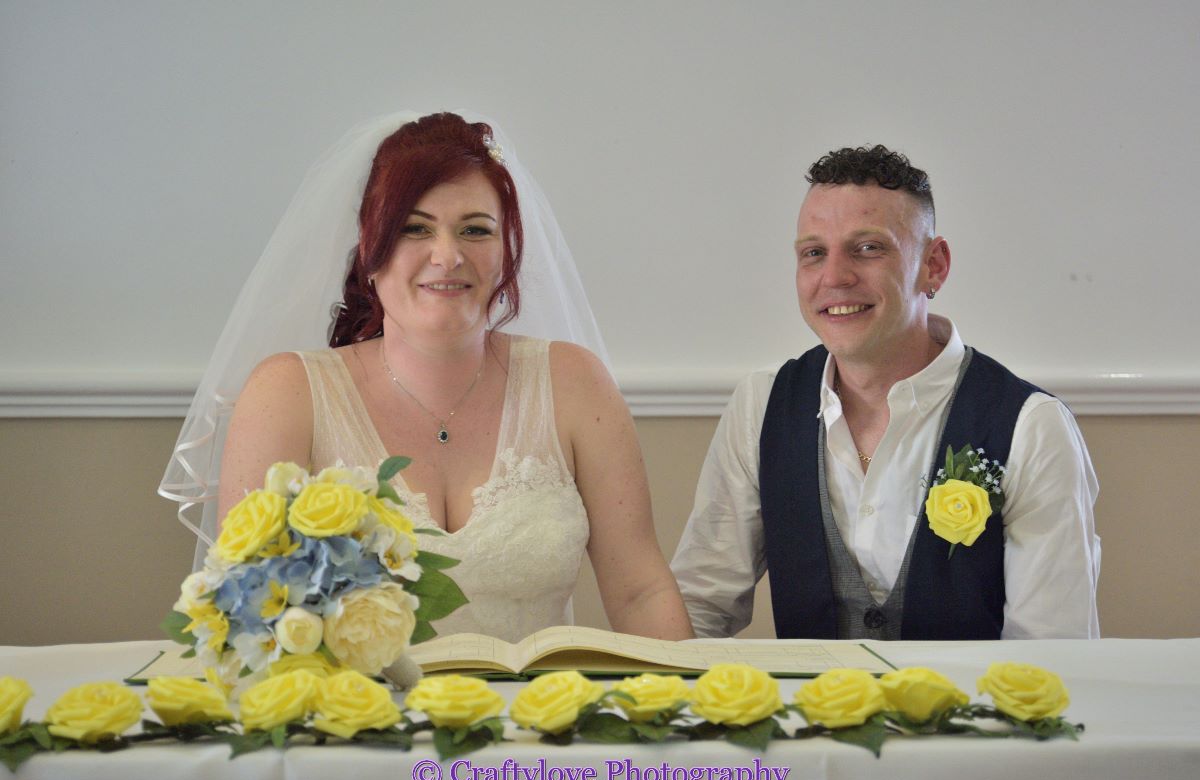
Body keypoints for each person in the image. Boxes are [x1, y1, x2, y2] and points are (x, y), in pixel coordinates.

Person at [161, 111, 692, 643]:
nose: (448, 255)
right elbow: (250, 608)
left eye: (475, 230)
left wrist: (692, 715)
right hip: (355, 720)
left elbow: (640, 592)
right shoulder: (287, 394)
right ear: (370, 253)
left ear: (506, 252)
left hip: (538, 718)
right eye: (415, 228)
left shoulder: (574, 382)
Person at [671, 145, 1100, 640]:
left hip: (972, 716)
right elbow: (701, 606)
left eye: (868, 247)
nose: (835, 277)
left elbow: (1052, 652)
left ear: (934, 265)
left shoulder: (1032, 426)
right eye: (814, 253)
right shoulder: (760, 405)